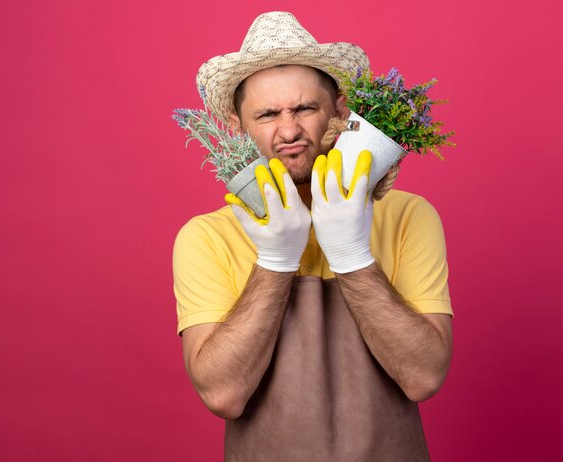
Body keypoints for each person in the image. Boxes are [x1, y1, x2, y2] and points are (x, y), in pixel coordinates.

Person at [173, 11, 453, 461]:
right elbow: (223, 395)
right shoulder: (206, 237)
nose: (289, 131)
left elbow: (423, 378)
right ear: (236, 126)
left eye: (305, 108)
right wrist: (275, 261)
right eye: (267, 114)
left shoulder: (408, 217)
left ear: (339, 109)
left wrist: (352, 253)